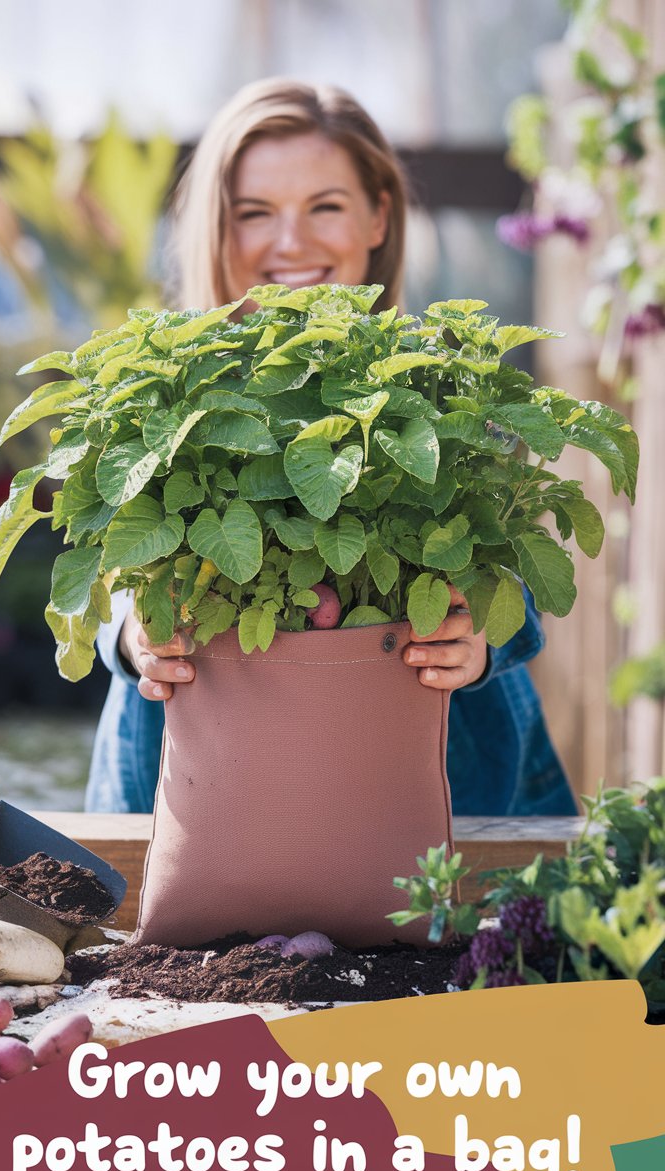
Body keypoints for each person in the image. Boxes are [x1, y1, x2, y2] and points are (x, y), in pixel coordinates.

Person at [86, 78, 576, 818]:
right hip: (198, 788)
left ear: (379, 216)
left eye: (326, 206)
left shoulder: (436, 392)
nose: (292, 243)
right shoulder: (175, 399)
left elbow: (505, 575)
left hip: (440, 774)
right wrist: (133, 636)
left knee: (476, 926)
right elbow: (117, 571)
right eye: (254, 213)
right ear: (215, 230)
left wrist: (477, 641)